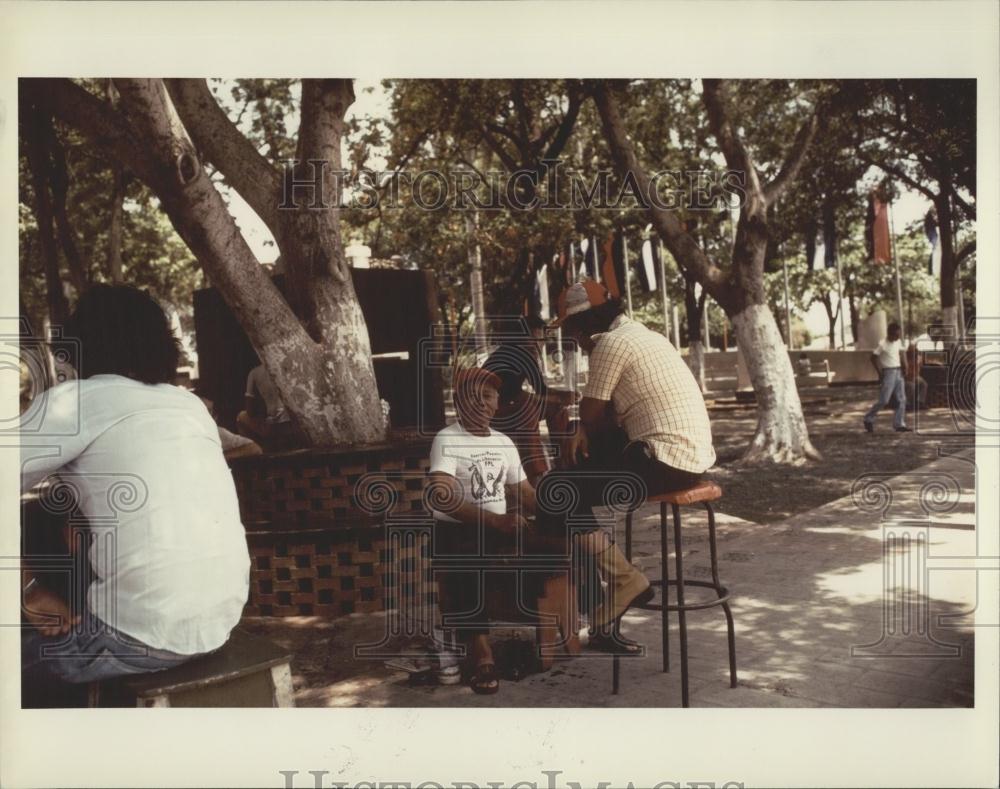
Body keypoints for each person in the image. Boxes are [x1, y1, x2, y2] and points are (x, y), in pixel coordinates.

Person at [19, 284, 250, 699]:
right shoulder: (188, 405)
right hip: (217, 624)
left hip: (139, 636)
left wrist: (30, 589)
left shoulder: (74, 401)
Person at [549, 278, 717, 653]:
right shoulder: (646, 335)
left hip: (663, 458)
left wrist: (577, 429)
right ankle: (606, 614)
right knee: (569, 487)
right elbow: (604, 419)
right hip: (690, 457)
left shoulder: (609, 343)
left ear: (585, 323)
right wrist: (583, 430)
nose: (573, 339)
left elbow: (592, 412)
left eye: (573, 330)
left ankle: (624, 580)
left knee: (559, 491)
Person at [482, 317, 577, 485]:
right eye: (534, 338)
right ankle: (536, 475)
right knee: (528, 409)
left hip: (506, 402)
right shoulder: (522, 353)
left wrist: (562, 398)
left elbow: (537, 391)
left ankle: (565, 464)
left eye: (540, 339)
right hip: (492, 410)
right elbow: (541, 391)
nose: (539, 343)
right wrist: (565, 395)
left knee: (554, 407)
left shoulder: (517, 352)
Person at [236, 363, 304, 450]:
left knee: (241, 416)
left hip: (272, 426)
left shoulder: (254, 373)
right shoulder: (288, 367)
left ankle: (259, 450)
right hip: (292, 424)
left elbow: (250, 411)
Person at [863, 322, 910, 433]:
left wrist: (905, 365)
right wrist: (880, 372)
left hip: (898, 371)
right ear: (890, 334)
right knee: (884, 400)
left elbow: (902, 353)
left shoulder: (898, 342)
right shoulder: (883, 344)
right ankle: (868, 418)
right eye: (896, 335)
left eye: (899, 335)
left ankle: (899, 424)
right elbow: (873, 357)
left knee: (901, 399)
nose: (897, 337)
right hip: (888, 372)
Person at [905, 340, 928, 412]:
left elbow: (921, 364)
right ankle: (908, 404)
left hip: (915, 376)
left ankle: (920, 402)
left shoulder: (918, 357)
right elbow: (904, 370)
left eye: (914, 349)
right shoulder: (905, 357)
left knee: (924, 384)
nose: (913, 351)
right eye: (912, 350)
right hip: (907, 377)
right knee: (911, 385)